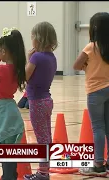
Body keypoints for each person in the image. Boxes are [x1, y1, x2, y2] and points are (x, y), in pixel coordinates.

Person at [0, 27, 27, 180]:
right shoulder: (19, 69)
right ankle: (10, 176)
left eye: (0, 49)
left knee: (2, 147)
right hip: (11, 109)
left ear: (4, 51)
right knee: (11, 148)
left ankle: (7, 177)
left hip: (1, 111)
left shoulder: (1, 69)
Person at [73, 12, 109, 177]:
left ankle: (98, 164)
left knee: (98, 127)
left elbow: (76, 65)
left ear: (94, 28)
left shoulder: (91, 47)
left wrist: (86, 66)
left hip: (95, 91)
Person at [24, 21, 58, 180]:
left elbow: (25, 76)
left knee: (42, 139)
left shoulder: (36, 57)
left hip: (37, 101)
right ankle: (46, 170)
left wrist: (28, 59)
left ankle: (43, 173)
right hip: (47, 100)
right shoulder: (51, 57)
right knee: (46, 136)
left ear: (38, 38)